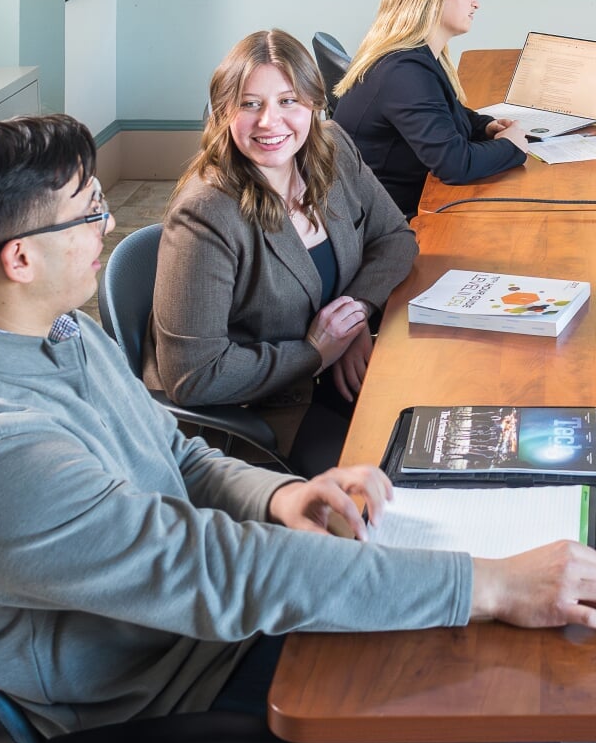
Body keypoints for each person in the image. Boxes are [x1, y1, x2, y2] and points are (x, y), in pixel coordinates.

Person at [0, 113, 596, 743]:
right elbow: (225, 572)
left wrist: (286, 497)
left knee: (485, 679)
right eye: (88, 211)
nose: (108, 224)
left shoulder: (57, 334)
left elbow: (179, 457)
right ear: (18, 258)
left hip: (211, 651)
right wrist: (489, 583)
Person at [147, 30, 414, 477]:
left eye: (288, 101)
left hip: (337, 376)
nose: (271, 121)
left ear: (313, 103)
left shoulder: (332, 151)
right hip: (263, 413)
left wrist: (353, 316)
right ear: (223, 112)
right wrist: (316, 352)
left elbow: (396, 238)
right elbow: (192, 375)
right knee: (396, 476)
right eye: (250, 104)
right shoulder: (206, 213)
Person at [333, 0, 529, 215]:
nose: (476, 2)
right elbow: (454, 165)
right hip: (389, 225)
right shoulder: (404, 72)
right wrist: (512, 147)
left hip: (398, 205)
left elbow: (448, 111)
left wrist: (486, 127)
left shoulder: (414, 57)